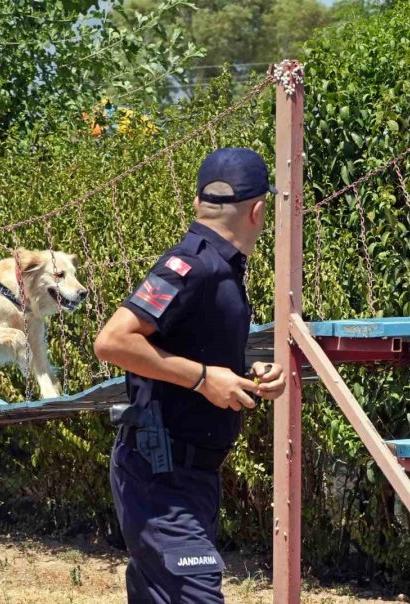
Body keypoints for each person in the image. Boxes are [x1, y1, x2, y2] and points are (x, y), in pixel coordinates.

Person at [93, 147, 287, 603]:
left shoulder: (220, 270)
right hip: (161, 478)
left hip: (189, 478)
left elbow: (188, 350)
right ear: (259, 211)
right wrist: (204, 378)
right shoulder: (192, 265)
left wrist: (250, 374)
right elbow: (113, 341)